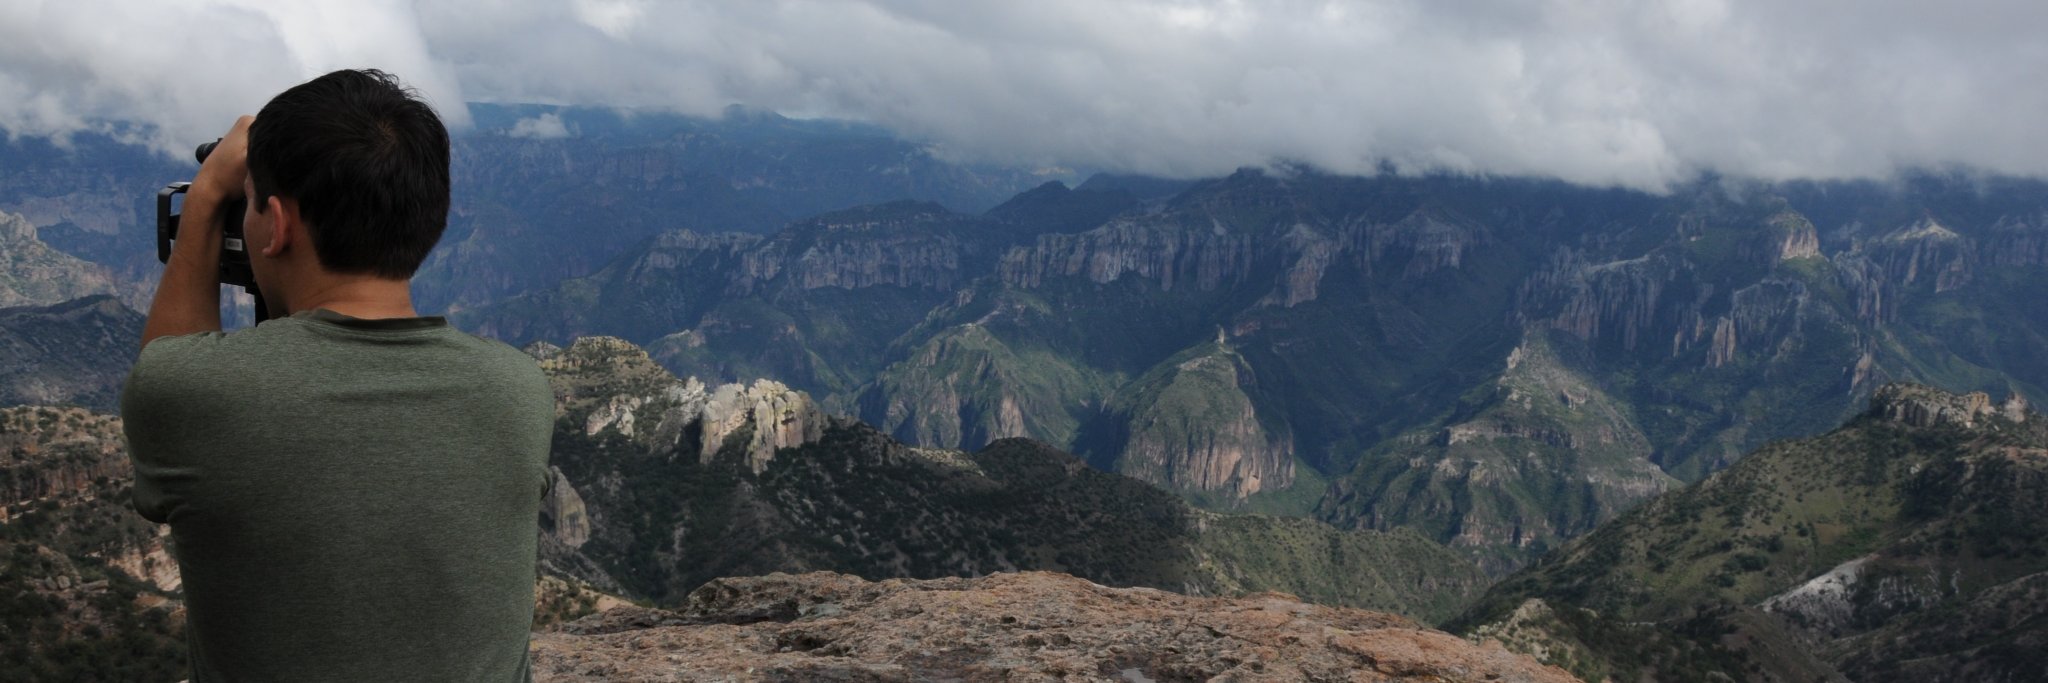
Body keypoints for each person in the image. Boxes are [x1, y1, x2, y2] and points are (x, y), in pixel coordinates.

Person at [120, 69, 553, 682]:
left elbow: (168, 364)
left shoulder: (194, 394)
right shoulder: (518, 388)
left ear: (280, 224)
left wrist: (206, 204)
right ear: (429, 217)